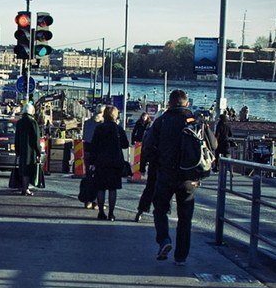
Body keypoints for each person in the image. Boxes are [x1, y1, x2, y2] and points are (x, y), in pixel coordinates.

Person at [142, 89, 216, 266]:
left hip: (166, 175)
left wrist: (155, 164)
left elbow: (147, 147)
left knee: (160, 209)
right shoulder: (195, 121)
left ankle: (164, 240)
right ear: (187, 103)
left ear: (169, 103)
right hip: (189, 177)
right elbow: (213, 144)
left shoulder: (161, 121)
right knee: (185, 218)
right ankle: (181, 257)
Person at [90, 106, 130, 221]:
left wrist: (92, 162)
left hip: (101, 162)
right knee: (113, 189)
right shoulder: (118, 129)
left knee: (101, 188)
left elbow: (94, 146)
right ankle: (111, 214)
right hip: (115, 162)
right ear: (115, 115)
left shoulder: (99, 128)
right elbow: (125, 145)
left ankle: (101, 212)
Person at [14, 103, 43, 195]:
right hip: (31, 151)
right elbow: (36, 139)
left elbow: (17, 138)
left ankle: (23, 187)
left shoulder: (19, 122)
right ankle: (26, 188)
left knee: (23, 169)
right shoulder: (33, 123)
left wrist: (17, 150)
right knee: (29, 169)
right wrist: (38, 152)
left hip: (22, 150)